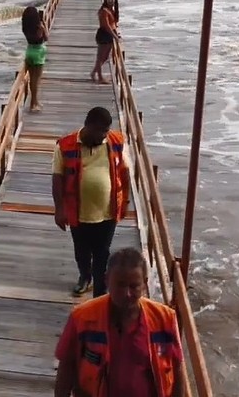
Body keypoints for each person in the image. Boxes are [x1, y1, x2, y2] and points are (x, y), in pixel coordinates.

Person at [54, 247, 185, 397]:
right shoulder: (81, 318)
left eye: (134, 286)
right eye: (120, 285)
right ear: (107, 281)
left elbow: (178, 370)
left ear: (144, 284)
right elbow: (66, 370)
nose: (127, 293)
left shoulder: (165, 319)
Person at [51, 106, 131, 297]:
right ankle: (85, 277)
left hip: (107, 211)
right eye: (99, 132)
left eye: (106, 131)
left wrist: (126, 201)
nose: (103, 136)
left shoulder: (117, 142)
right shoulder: (65, 145)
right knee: (82, 251)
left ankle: (99, 293)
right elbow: (57, 178)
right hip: (78, 211)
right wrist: (59, 209)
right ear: (88, 126)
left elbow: (125, 172)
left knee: (102, 253)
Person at [21, 5, 49, 112]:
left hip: (29, 51)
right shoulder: (39, 27)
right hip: (38, 53)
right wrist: (44, 25)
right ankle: (33, 103)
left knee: (32, 79)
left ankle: (35, 101)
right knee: (35, 80)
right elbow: (46, 37)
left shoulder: (26, 28)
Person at [91, 0, 120, 84]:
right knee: (100, 57)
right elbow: (106, 26)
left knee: (105, 57)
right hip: (104, 34)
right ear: (105, 0)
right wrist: (115, 36)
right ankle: (99, 77)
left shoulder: (111, 10)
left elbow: (113, 23)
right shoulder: (104, 11)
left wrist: (116, 34)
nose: (110, 0)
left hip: (109, 34)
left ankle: (94, 73)